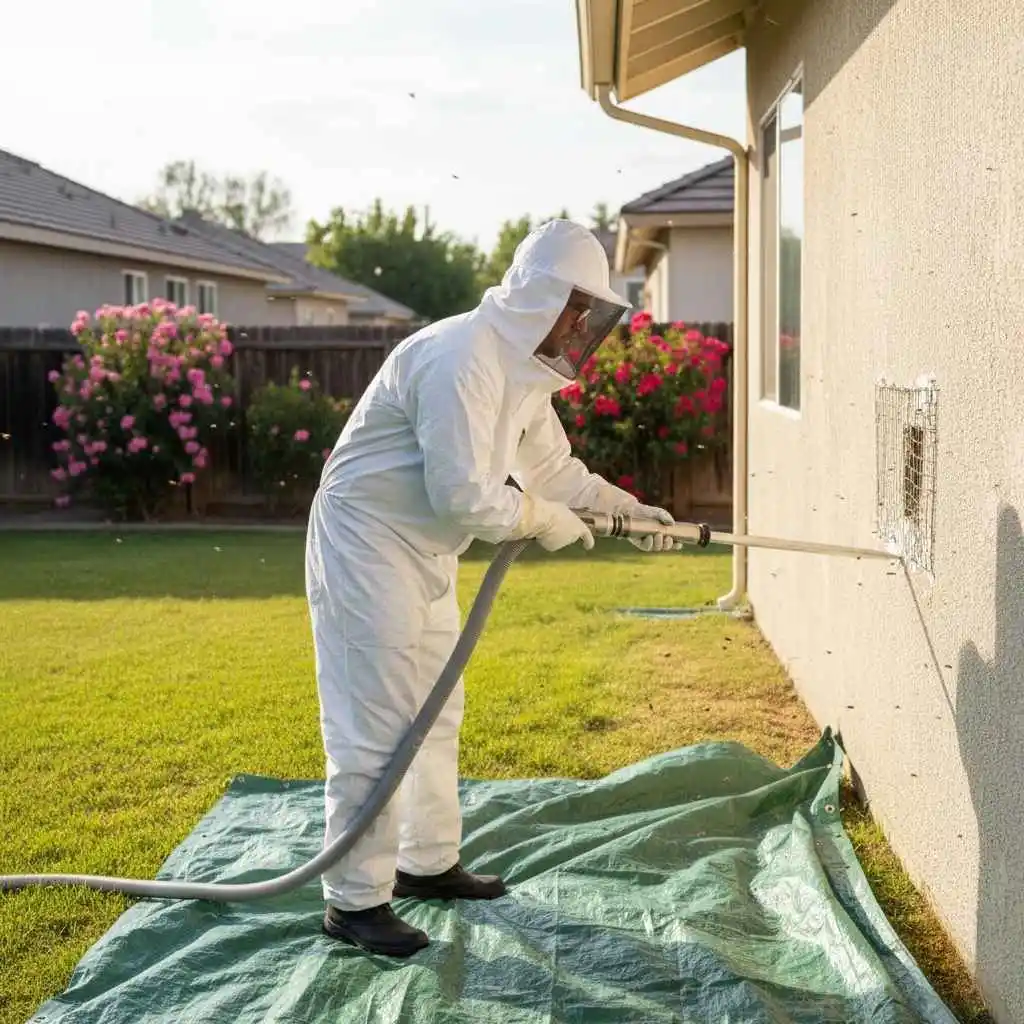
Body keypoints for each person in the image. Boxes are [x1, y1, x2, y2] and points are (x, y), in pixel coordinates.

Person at [305, 219, 677, 958]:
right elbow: (466, 499)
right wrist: (544, 521)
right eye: (577, 307)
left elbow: (555, 473)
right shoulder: (458, 359)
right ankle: (353, 903)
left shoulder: (523, 373)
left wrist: (625, 509)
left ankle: (427, 863)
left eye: (589, 313)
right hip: (364, 544)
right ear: (540, 296)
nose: (582, 326)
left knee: (438, 710)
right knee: (375, 725)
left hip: (422, 551)